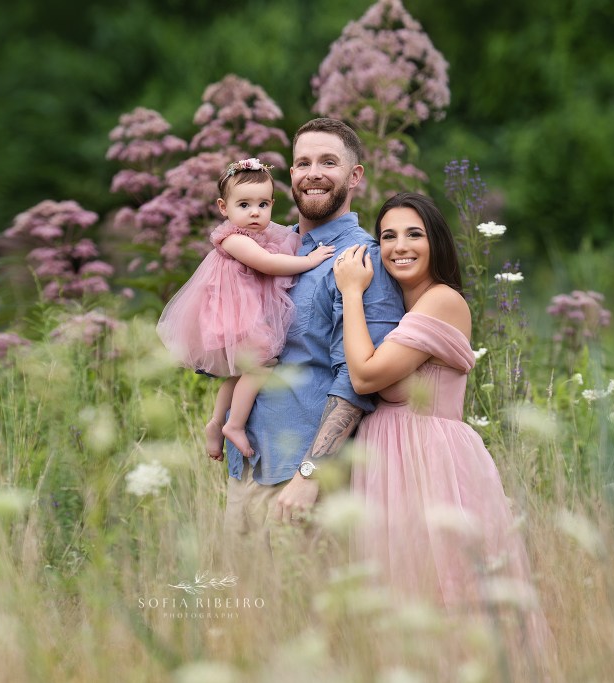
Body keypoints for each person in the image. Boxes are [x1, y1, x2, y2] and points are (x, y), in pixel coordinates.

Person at [333, 192, 555, 668]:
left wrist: (351, 291)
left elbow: (366, 376)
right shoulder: (397, 305)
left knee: (449, 596)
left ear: (436, 241)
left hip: (431, 462)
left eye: (414, 234)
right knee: (401, 603)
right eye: (388, 236)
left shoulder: (442, 300)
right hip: (390, 464)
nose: (399, 246)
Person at [223, 119, 405, 536]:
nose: (314, 173)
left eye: (329, 161)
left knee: (301, 602)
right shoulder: (266, 246)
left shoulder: (362, 259)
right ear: (290, 175)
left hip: (300, 482)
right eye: (303, 163)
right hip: (246, 466)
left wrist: (310, 474)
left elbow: (359, 379)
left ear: (354, 175)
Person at [156, 158, 335, 460]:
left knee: (239, 373)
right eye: (244, 205)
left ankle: (215, 423)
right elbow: (268, 264)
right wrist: (311, 260)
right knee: (262, 364)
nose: (255, 212)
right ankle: (234, 425)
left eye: (263, 204)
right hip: (237, 316)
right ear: (224, 208)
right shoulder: (234, 239)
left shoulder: (265, 234)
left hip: (245, 313)